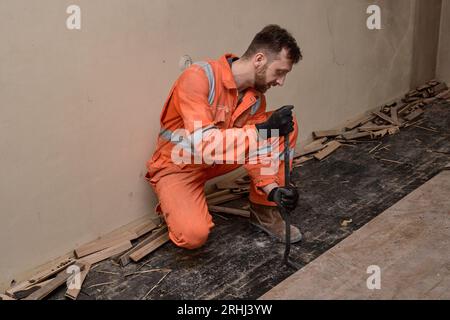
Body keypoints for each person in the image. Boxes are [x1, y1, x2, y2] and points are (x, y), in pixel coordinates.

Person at [145, 24, 303, 249]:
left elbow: (258, 151)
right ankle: (178, 205)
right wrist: (260, 131)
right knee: (193, 236)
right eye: (279, 72)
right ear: (259, 60)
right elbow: (204, 144)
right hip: (179, 165)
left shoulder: (254, 98)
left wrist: (273, 190)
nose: (280, 82)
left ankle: (264, 211)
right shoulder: (198, 78)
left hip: (217, 162)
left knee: (285, 125)